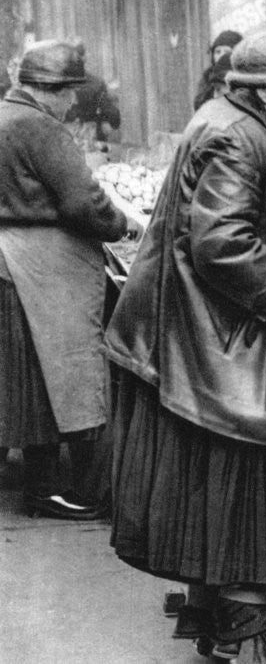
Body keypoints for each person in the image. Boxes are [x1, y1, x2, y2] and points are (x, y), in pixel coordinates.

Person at [104, 28, 266, 661]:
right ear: (264, 88)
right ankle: (252, 632)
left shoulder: (234, 120)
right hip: (219, 339)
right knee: (249, 476)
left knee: (218, 484)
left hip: (203, 330)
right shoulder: (238, 135)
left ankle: (223, 621)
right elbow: (221, 245)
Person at [0, 40, 129, 520]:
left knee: (30, 375)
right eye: (69, 92)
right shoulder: (40, 127)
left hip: (10, 256)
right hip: (46, 262)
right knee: (68, 371)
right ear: (49, 91)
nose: (74, 101)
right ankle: (66, 490)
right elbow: (82, 203)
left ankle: (41, 483)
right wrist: (123, 225)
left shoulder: (4, 115)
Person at [65, 40, 121, 143]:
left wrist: (106, 121)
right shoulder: (56, 83)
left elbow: (108, 110)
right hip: (65, 132)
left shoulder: (96, 83)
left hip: (87, 134)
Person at [193, 30, 243, 111]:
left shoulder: (244, 75)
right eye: (218, 52)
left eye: (227, 51)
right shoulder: (208, 78)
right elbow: (199, 105)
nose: (221, 55)